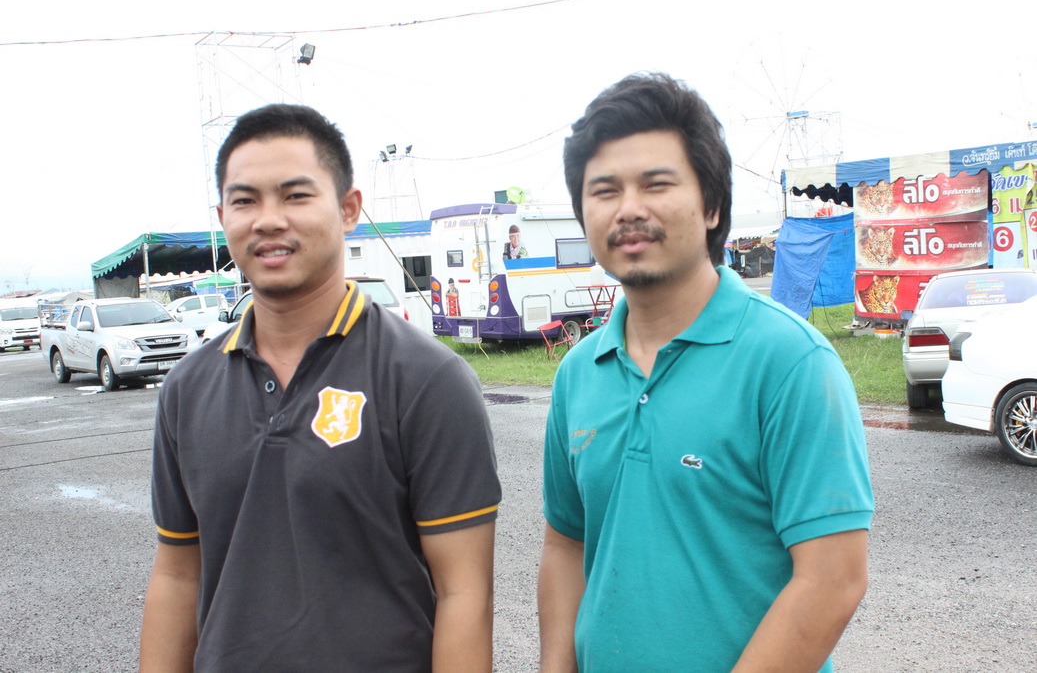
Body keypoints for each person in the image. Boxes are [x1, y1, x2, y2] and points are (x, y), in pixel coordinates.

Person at [139, 104, 501, 672]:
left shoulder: (426, 380)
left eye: (296, 195)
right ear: (223, 217)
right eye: (245, 201)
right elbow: (177, 575)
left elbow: (465, 592)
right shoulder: (186, 389)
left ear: (349, 208)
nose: (268, 220)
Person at [537, 73, 874, 672]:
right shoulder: (578, 374)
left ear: (712, 205)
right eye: (605, 190)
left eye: (656, 184)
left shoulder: (790, 362)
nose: (629, 209)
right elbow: (566, 543)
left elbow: (833, 578)